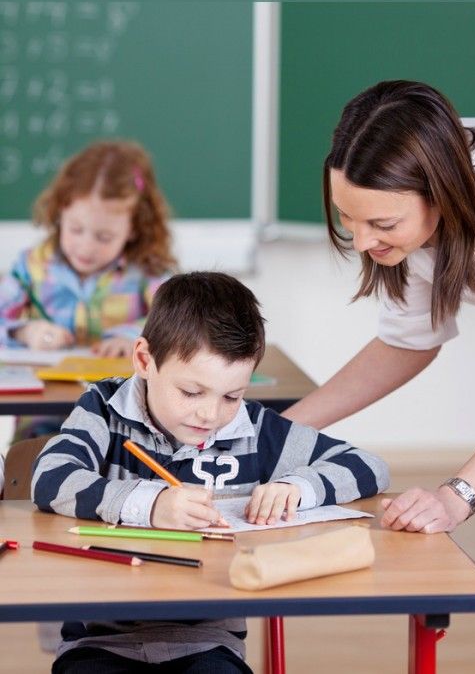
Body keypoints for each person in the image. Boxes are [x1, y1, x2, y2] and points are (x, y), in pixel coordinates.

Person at [283, 80, 475, 673]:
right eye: (347, 219)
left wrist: (456, 497)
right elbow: (407, 344)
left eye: (381, 223)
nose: (362, 241)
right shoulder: (416, 197)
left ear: (440, 192)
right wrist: (282, 429)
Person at [32, 271, 389, 674]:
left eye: (231, 396)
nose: (211, 414)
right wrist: (150, 504)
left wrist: (297, 486)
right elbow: (50, 478)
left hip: (206, 643)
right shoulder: (103, 407)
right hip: (99, 639)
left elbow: (367, 466)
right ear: (145, 360)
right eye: (191, 392)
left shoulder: (253, 429)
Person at [0, 140, 175, 438]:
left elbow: (177, 322)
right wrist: (24, 332)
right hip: (42, 418)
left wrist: (131, 335)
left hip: (120, 420)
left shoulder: (147, 272)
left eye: (104, 237)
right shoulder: (32, 266)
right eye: (76, 230)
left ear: (134, 227)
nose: (85, 247)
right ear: (60, 212)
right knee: (33, 468)